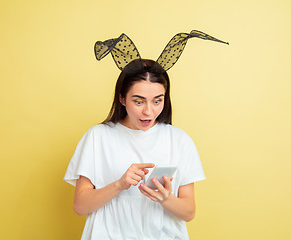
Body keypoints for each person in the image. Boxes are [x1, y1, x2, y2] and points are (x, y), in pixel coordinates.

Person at [64, 31, 228, 240]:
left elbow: (189, 212)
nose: (148, 111)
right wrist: (119, 184)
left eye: (157, 101)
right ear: (122, 98)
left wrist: (165, 198)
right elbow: (80, 206)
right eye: (139, 101)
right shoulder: (98, 137)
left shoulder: (179, 140)